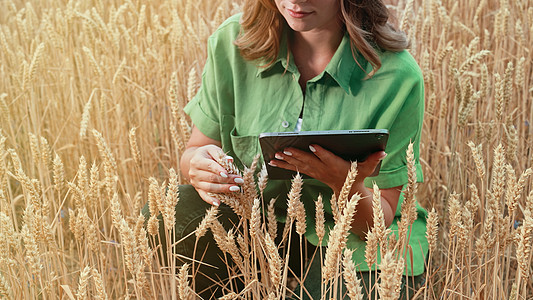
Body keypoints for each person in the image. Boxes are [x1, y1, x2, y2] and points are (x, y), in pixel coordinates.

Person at [174, 0, 428, 298]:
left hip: (354, 240)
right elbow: (196, 150)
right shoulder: (232, 43)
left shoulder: (397, 76)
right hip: (259, 221)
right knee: (176, 213)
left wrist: (346, 183)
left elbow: (377, 223)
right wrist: (198, 167)